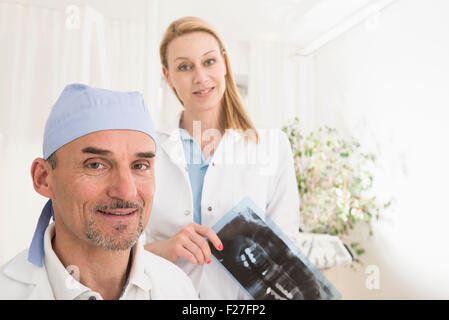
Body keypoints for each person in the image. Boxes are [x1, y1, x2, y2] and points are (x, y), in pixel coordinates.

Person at [143, 16, 301, 299]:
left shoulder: (273, 146)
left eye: (209, 61)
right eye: (184, 66)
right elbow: (116, 253)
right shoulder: (146, 149)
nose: (200, 77)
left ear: (225, 63)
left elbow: (288, 251)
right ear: (168, 77)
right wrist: (166, 248)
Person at [0, 84, 198, 300]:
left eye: (140, 166)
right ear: (44, 178)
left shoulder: (178, 289)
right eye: (95, 165)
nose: (126, 192)